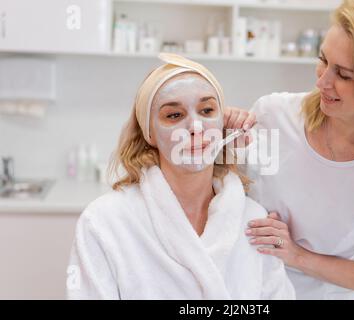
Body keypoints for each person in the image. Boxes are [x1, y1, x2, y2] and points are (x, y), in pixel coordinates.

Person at [225, 0, 354, 299]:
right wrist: (223, 147)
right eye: (323, 59)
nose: (322, 81)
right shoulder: (273, 114)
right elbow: (223, 194)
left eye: (344, 75)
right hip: (238, 288)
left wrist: (296, 255)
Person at [66, 53, 295, 300]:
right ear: (149, 133)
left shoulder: (254, 221)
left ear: (221, 123)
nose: (195, 128)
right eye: (174, 115)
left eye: (207, 110)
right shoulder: (104, 222)